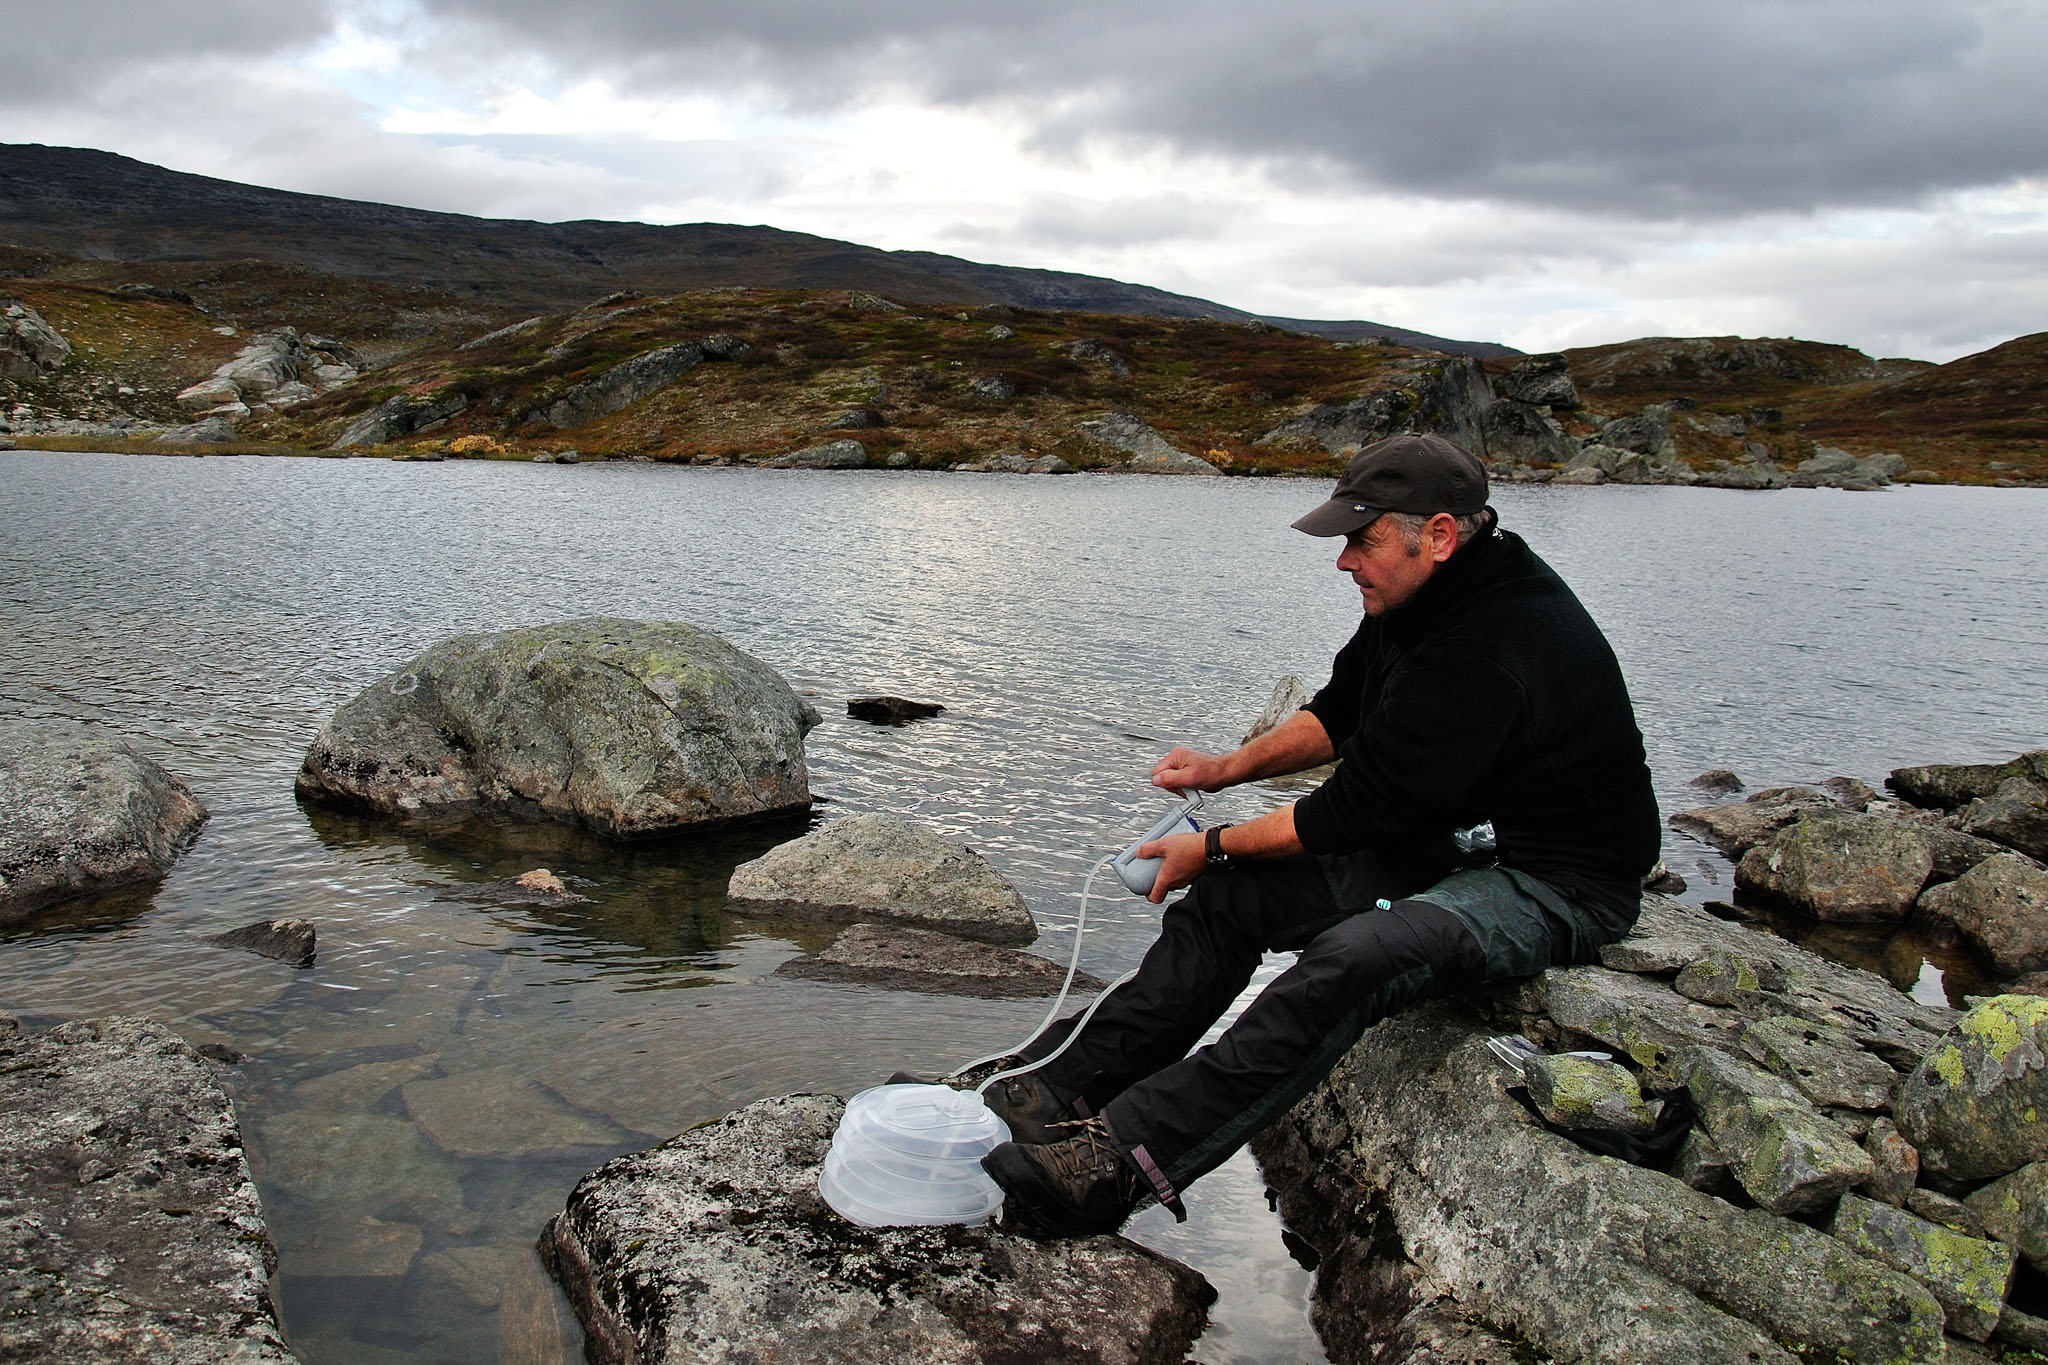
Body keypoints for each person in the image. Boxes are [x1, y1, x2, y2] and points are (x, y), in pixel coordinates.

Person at [979, 432, 1662, 1237]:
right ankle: (1061, 1085)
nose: (1345, 561)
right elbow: (1339, 711)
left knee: (1357, 957)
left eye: (1361, 540)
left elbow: (1348, 814)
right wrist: (1225, 769)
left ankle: (1119, 1159)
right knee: (1233, 899)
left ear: (1438, 534)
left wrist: (1215, 844)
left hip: (1555, 880)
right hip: (1451, 837)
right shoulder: (1420, 595)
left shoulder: (1494, 642)